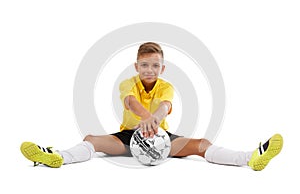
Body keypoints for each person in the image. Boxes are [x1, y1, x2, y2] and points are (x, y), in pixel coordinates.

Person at [20, 42, 283, 171]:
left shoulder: (166, 86)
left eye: (155, 65)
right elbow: (130, 102)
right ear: (137, 67)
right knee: (92, 140)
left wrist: (154, 120)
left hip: (161, 139)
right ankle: (55, 157)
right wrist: (144, 117)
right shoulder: (128, 83)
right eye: (144, 65)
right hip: (128, 137)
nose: (149, 70)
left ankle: (251, 158)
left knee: (201, 144)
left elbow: (165, 107)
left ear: (162, 68)